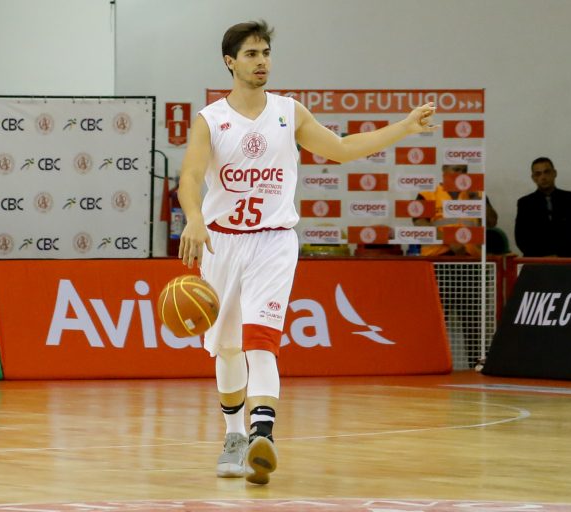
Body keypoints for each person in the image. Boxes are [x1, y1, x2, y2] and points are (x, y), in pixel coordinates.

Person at [177, 20, 437, 485]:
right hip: (222, 241)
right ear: (230, 62)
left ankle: (262, 436)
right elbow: (191, 177)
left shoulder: (288, 111)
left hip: (273, 240)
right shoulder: (210, 119)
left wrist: (404, 126)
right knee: (227, 348)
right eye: (251, 54)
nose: (262, 62)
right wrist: (194, 217)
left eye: (265, 53)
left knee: (261, 340)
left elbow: (342, 149)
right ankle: (234, 435)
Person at [515, 157, 571, 257]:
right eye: (538, 174)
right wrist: (543, 258)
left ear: (554, 173)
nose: (543, 177)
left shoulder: (570, 199)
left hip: (566, 258)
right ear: (533, 178)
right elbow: (521, 238)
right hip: (535, 260)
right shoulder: (525, 203)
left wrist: (558, 256)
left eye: (547, 172)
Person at [413, 164, 484, 257]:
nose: (461, 174)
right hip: (436, 257)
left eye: (464, 171)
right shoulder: (428, 194)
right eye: (456, 169)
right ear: (444, 169)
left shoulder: (477, 193)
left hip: (471, 258)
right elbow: (419, 223)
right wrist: (450, 240)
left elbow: (492, 222)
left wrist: (478, 201)